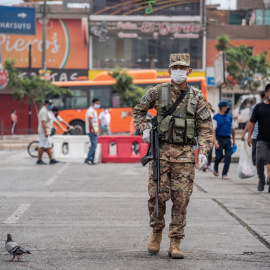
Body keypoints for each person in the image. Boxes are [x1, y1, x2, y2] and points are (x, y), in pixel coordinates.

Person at [133, 53, 213, 259]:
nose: (179, 71)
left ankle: (176, 242)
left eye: (182, 67)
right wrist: (143, 129)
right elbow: (139, 111)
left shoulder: (197, 97)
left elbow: (205, 127)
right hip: (161, 153)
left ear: (189, 71)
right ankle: (156, 233)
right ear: (169, 71)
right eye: (175, 67)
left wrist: (203, 151)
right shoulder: (157, 92)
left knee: (181, 199)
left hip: (185, 155)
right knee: (157, 195)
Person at [248, 84, 270, 192]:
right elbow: (252, 122)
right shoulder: (258, 107)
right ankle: (261, 179)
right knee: (260, 159)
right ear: (266, 94)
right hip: (262, 139)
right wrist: (249, 136)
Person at [212, 100, 236, 179]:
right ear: (222, 108)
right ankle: (215, 167)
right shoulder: (216, 117)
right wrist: (215, 142)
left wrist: (234, 141)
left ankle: (224, 173)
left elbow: (233, 129)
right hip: (219, 139)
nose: (228, 108)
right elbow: (213, 130)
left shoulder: (230, 117)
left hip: (228, 139)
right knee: (219, 156)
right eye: (227, 106)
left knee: (228, 157)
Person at [36, 99, 59, 165]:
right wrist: (45, 132)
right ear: (46, 104)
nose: (51, 105)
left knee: (48, 145)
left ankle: (51, 159)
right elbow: (43, 122)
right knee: (42, 145)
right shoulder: (43, 111)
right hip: (44, 131)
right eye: (50, 104)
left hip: (47, 131)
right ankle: (39, 160)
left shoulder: (47, 110)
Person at [85, 98, 100, 165]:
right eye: (97, 103)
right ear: (93, 103)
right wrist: (93, 130)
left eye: (98, 103)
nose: (98, 105)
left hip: (94, 130)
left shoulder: (94, 110)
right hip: (91, 130)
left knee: (94, 145)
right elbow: (90, 121)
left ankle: (91, 159)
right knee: (94, 145)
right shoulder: (90, 111)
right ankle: (88, 159)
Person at [206, 103, 215, 171]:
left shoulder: (213, 115)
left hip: (211, 134)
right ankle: (206, 164)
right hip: (205, 134)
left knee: (210, 150)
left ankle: (208, 164)